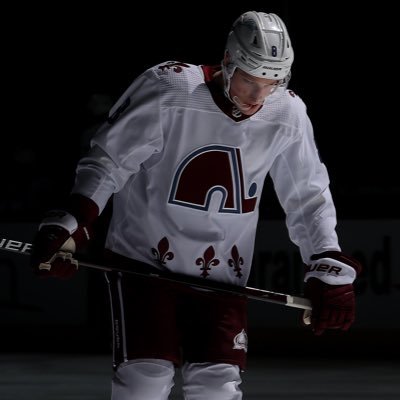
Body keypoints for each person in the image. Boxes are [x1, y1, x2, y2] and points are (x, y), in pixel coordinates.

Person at [30, 10, 362, 400]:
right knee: (145, 378)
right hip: (143, 264)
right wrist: (76, 220)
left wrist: (325, 260)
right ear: (227, 61)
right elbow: (110, 160)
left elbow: (307, 193)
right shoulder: (169, 88)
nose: (258, 97)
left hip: (224, 275)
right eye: (250, 80)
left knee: (217, 386)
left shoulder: (287, 111)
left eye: (271, 83)